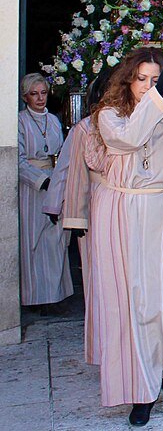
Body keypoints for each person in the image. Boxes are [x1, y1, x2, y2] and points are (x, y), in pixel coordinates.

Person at [87, 48, 163, 425]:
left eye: (156, 80)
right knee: (136, 304)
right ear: (128, 80)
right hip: (126, 213)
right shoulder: (109, 115)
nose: (148, 87)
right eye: (142, 79)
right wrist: (159, 99)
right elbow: (128, 139)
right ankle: (140, 389)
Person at [43, 70, 111, 365]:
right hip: (95, 206)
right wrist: (67, 212)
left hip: (131, 207)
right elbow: (69, 171)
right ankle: (104, 342)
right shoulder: (84, 129)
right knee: (100, 277)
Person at [18, 73, 70, 309]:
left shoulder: (53, 120)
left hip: (54, 181)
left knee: (55, 240)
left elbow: (61, 153)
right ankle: (35, 297)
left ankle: (55, 295)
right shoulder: (20, 122)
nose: (40, 98)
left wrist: (59, 179)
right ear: (25, 97)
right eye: (34, 94)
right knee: (34, 240)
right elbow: (17, 160)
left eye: (43, 93)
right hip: (32, 188)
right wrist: (41, 180)